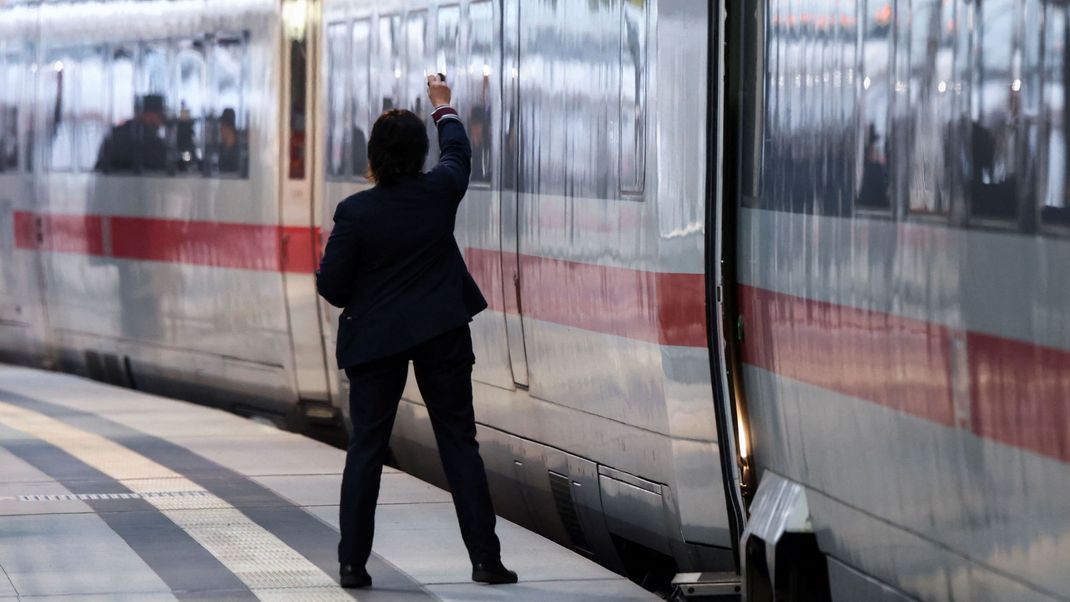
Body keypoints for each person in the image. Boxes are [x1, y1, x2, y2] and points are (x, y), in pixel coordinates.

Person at [316, 74, 517, 590]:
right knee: (458, 442)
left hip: (376, 341)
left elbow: (334, 288)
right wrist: (443, 107)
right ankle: (485, 561)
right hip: (441, 333)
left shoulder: (355, 212)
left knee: (367, 448)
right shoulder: (439, 192)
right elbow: (457, 155)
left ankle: (352, 564)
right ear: (418, 155)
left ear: (374, 159)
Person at [95, 94, 168, 173]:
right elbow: (161, 163)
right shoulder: (149, 139)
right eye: (160, 115)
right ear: (149, 115)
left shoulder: (115, 133)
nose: (161, 121)